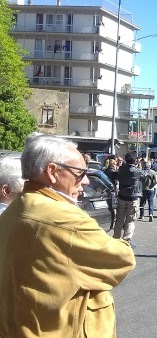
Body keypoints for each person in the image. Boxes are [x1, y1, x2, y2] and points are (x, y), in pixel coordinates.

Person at [0, 134, 135, 337]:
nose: (86, 181)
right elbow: (123, 259)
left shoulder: (16, 207)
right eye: (80, 173)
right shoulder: (64, 219)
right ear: (52, 172)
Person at [114, 152, 143, 243]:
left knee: (119, 218)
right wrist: (141, 164)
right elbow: (146, 174)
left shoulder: (121, 169)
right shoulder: (136, 171)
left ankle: (116, 238)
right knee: (130, 220)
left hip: (122, 196)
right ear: (135, 160)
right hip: (133, 198)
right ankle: (126, 240)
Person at [103, 158, 118, 230]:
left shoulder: (105, 170)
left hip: (106, 189)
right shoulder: (112, 172)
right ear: (113, 164)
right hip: (112, 190)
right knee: (112, 206)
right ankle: (112, 221)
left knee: (109, 205)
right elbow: (116, 180)